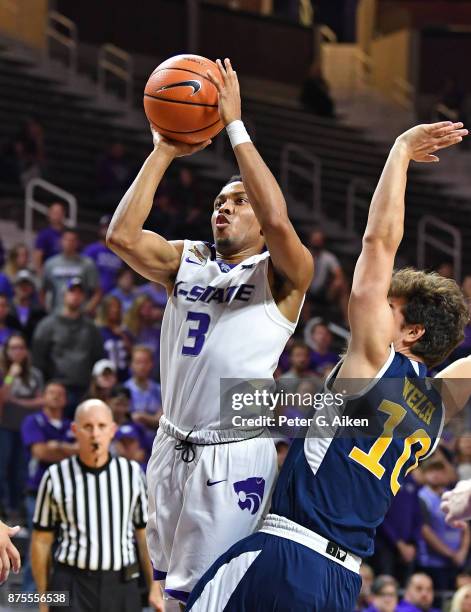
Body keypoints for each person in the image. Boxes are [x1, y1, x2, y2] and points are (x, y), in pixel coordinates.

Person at [186, 121, 469, 611]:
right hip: (341, 583)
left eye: (390, 308)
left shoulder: (374, 362)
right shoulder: (441, 402)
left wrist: (399, 152)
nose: (375, 309)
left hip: (286, 556)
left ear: (411, 333)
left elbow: (378, 243)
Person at [106, 57, 313, 605]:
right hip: (170, 444)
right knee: (168, 594)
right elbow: (122, 237)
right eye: (219, 202)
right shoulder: (186, 260)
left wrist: (236, 127)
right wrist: (165, 149)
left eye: (238, 201)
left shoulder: (283, 274)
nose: (224, 208)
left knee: (215, 597)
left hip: (234, 454)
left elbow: (279, 221)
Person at [31, 399, 163, 612]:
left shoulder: (131, 473)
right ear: (75, 430)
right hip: (71, 582)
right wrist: (44, 597)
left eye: (101, 426)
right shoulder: (55, 476)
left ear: (112, 430)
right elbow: (41, 540)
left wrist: (155, 587)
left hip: (121, 582)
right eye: (87, 427)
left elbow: (143, 536)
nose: (94, 434)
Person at [21, 381, 78, 592]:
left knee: (62, 548)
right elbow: (41, 453)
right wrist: (68, 450)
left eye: (60, 393)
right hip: (38, 492)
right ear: (43, 396)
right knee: (38, 545)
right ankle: (29, 599)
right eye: (51, 393)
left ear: (65, 399)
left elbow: (83, 452)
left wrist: (58, 447)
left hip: (68, 494)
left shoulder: (72, 424)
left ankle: (55, 601)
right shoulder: (33, 421)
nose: (56, 396)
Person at [32, 277, 105, 417]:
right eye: (72, 291)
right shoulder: (47, 325)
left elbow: (98, 358)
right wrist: (45, 388)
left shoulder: (91, 328)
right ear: (64, 295)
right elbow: (38, 360)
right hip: (56, 389)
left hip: (84, 390)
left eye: (79, 293)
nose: (75, 296)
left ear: (84, 297)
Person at [0, 333, 44, 520]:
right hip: (5, 426)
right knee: (3, 468)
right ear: (6, 351)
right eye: (13, 348)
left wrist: (18, 401)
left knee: (21, 470)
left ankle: (17, 511)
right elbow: (2, 398)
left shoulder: (35, 374)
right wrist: (10, 376)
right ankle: (5, 509)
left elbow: (42, 400)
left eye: (21, 348)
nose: (17, 352)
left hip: (27, 429)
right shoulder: (3, 373)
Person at [417, 457, 469, 590]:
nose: (436, 474)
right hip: (433, 562)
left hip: (458, 560)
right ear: (424, 474)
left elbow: (466, 527)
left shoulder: (454, 493)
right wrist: (451, 554)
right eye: (431, 470)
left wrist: (462, 552)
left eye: (440, 471)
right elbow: (425, 531)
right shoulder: (422, 497)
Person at [41, 229, 100, 313]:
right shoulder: (50, 264)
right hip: (57, 313)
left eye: (72, 240)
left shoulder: (87, 264)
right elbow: (42, 291)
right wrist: (47, 311)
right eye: (66, 239)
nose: (69, 243)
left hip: (79, 315)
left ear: (77, 243)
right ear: (60, 241)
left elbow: (97, 292)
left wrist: (87, 309)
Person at [124, 346, 162, 434]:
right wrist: (152, 419)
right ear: (131, 364)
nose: (142, 366)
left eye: (146, 362)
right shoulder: (125, 390)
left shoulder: (159, 390)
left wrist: (141, 417)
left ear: (152, 364)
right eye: (138, 362)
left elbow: (161, 420)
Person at [82, 215, 123, 294]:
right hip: (92, 294)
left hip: (113, 296)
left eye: (109, 227)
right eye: (104, 227)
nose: (106, 230)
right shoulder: (91, 249)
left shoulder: (119, 252)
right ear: (100, 229)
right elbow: (84, 273)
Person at [6, 269, 46, 346]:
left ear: (32, 288)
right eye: (20, 284)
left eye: (27, 284)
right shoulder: (6, 309)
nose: (23, 288)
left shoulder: (40, 312)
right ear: (14, 287)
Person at [33, 202, 65, 272]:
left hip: (66, 270)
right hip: (50, 272)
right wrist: (40, 272)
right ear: (49, 215)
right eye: (54, 213)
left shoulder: (68, 234)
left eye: (59, 212)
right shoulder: (44, 234)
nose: (57, 215)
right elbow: (38, 255)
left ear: (63, 215)